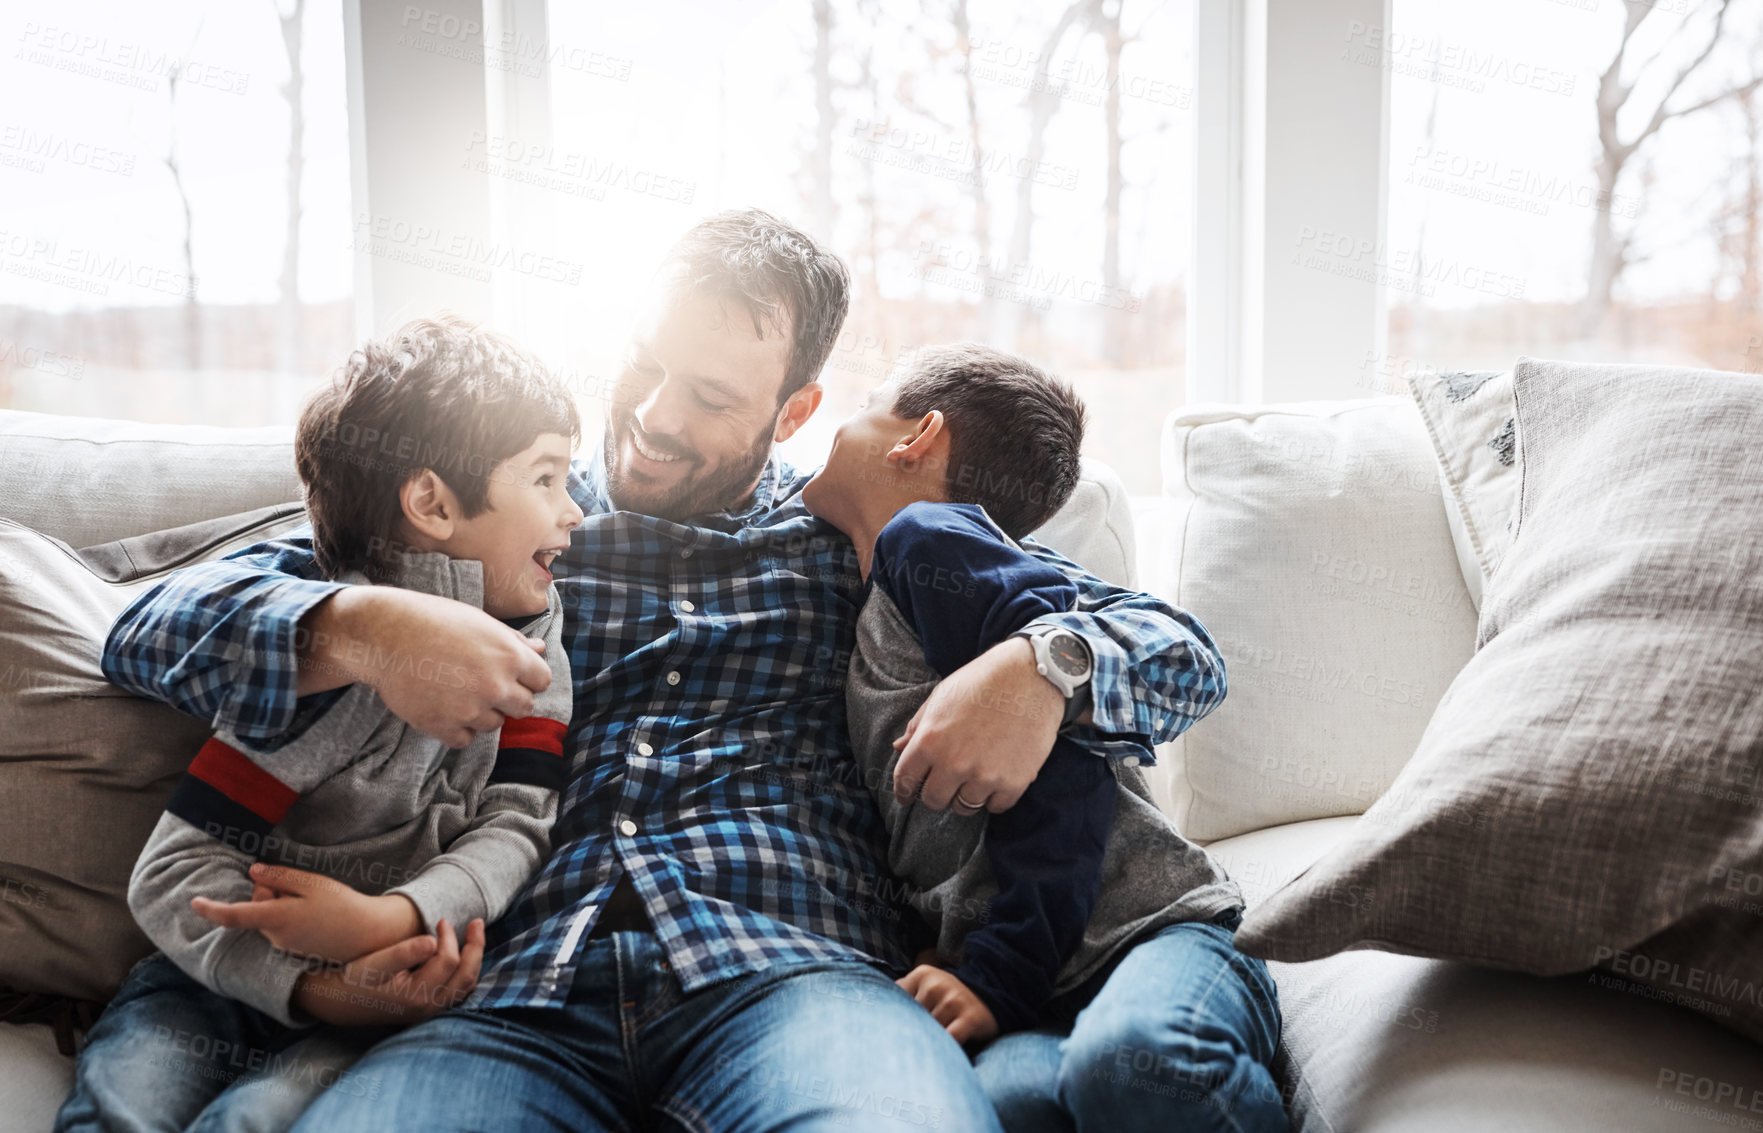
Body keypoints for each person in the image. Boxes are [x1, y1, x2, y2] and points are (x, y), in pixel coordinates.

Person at [99, 209, 1240, 1132]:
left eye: (711, 398)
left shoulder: (867, 544)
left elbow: (1179, 653)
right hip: (513, 990)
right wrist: (362, 627)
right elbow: (145, 629)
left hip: (795, 975)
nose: (652, 416)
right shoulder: (504, 521)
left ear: (794, 411)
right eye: (645, 364)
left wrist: (1046, 665)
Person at [56, 316, 582, 1132]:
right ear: (432, 502)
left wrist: (396, 917)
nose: (576, 510)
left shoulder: (539, 648)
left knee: (258, 1119)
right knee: (119, 1109)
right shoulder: (316, 657)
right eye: (546, 478)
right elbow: (175, 869)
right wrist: (306, 983)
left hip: (383, 991)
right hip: (209, 977)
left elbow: (516, 822)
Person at [800, 342, 1286, 1131]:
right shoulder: (897, 582)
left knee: (1138, 1064)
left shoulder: (930, 542)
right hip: (1033, 981)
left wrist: (1000, 971)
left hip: (1145, 936)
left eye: (865, 404)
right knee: (1005, 1109)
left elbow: (1066, 772)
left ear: (918, 437)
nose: (835, 426)